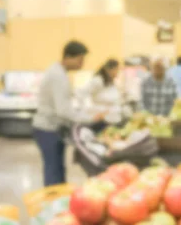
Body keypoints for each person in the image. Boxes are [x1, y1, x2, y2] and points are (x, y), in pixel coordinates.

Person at [33, 40, 99, 186]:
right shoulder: (58, 76)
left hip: (51, 129)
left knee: (57, 169)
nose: (81, 64)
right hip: (48, 130)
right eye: (79, 60)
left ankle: (58, 201)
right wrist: (88, 118)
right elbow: (63, 110)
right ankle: (53, 205)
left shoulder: (58, 72)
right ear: (68, 57)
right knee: (54, 171)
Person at [80, 58, 122, 124]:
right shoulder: (98, 81)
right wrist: (86, 113)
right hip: (101, 120)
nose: (118, 72)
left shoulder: (111, 83)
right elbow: (81, 94)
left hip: (113, 119)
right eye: (116, 69)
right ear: (110, 70)